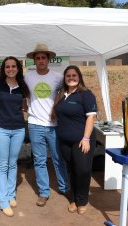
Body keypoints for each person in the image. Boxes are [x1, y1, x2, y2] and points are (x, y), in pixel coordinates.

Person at [24, 43, 69, 207]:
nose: (41, 60)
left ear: (48, 59)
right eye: (38, 58)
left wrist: (57, 108)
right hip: (35, 124)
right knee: (40, 161)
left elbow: (65, 94)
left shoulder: (58, 77)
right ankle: (44, 192)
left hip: (53, 125)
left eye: (44, 57)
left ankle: (64, 188)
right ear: (34, 61)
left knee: (58, 159)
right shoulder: (27, 77)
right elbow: (23, 94)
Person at [53, 65, 97, 214]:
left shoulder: (86, 94)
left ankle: (82, 200)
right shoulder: (61, 94)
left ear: (79, 77)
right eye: (68, 76)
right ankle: (73, 199)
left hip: (82, 140)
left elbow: (91, 117)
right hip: (64, 140)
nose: (71, 78)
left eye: (74, 75)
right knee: (71, 169)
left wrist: (86, 138)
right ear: (64, 79)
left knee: (83, 170)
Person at [0, 56, 29, 217]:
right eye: (7, 66)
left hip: (19, 129)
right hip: (1, 128)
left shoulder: (22, 85)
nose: (11, 69)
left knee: (13, 163)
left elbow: (25, 105)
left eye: (13, 66)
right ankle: (3, 201)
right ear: (4, 69)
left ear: (18, 68)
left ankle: (10, 194)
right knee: (3, 164)